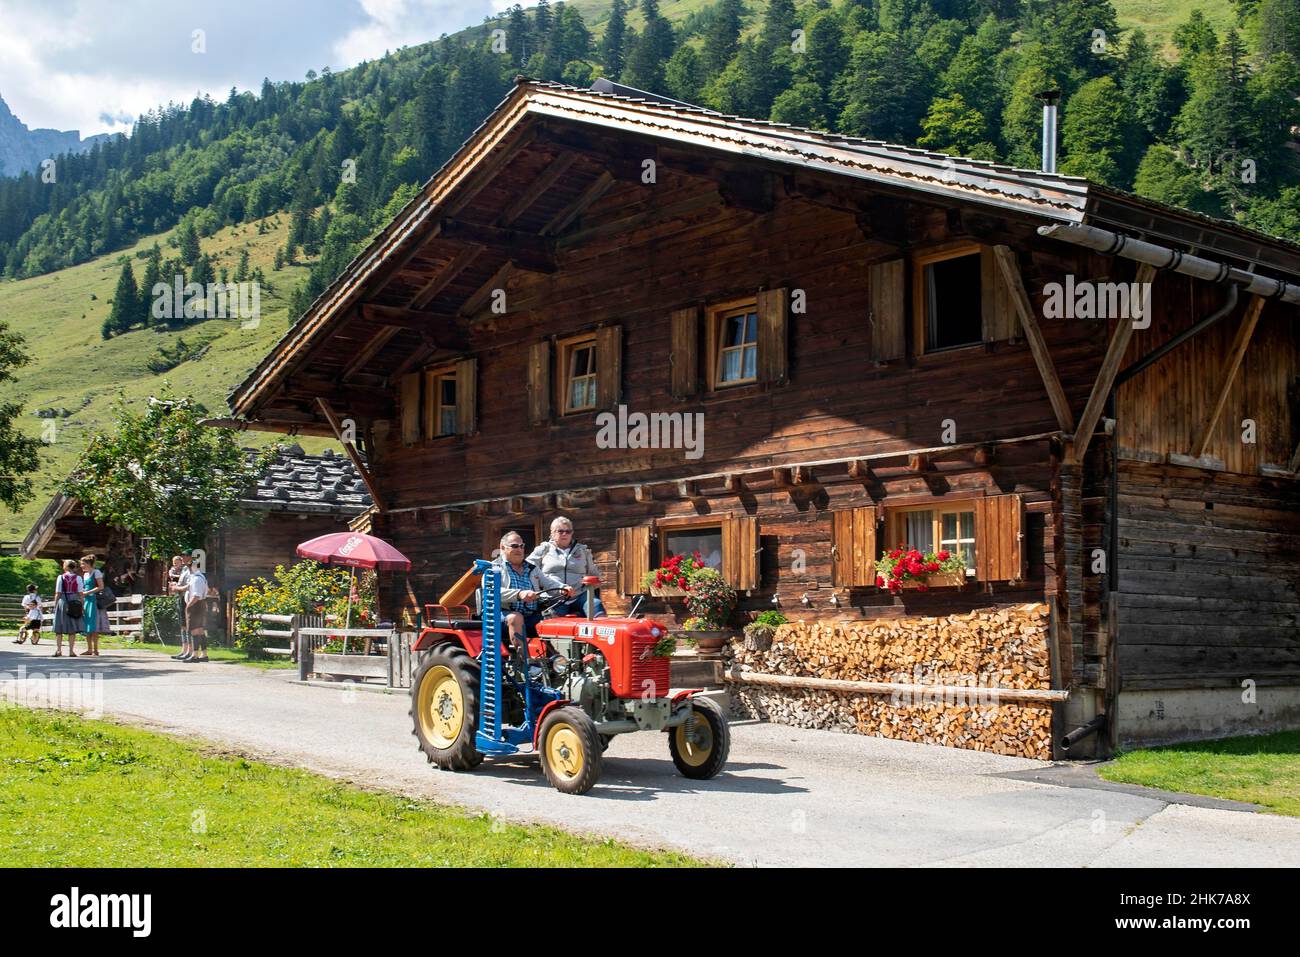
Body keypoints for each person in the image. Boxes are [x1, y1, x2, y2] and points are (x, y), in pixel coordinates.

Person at [494, 531, 565, 662]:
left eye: (522, 546)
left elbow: (548, 582)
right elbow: (493, 591)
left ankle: (559, 662)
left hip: (530, 614)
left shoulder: (532, 568)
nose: (519, 549)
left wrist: (563, 588)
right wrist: (519, 594)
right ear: (503, 547)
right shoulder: (494, 568)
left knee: (551, 618)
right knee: (516, 617)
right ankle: (526, 664)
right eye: (515, 546)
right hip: (500, 616)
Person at [526, 516, 606, 618]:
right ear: (552, 533)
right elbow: (528, 569)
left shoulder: (583, 551)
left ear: (572, 533)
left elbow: (594, 574)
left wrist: (590, 585)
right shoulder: (543, 549)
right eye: (560, 531)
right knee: (554, 620)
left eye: (568, 531)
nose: (564, 534)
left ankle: (602, 634)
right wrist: (538, 587)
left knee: (596, 605)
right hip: (555, 597)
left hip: (580, 595)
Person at [80, 554, 111, 657]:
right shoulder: (85, 575)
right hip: (87, 601)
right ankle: (89, 649)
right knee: (87, 626)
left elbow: (100, 586)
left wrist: (87, 593)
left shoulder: (96, 572)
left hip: (94, 600)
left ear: (89, 564)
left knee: (94, 626)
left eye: (83, 564)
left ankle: (96, 650)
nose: (81, 566)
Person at [51, 559, 83, 657]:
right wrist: (82, 604)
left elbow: (58, 592)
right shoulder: (78, 578)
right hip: (74, 601)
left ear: (66, 567)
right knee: (72, 628)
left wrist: (55, 604)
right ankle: (71, 651)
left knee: (59, 627)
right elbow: (80, 593)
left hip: (63, 601)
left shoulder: (61, 577)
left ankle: (59, 650)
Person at [183, 559, 210, 663]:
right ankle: (204, 654)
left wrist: (188, 606)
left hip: (195, 605)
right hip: (200, 604)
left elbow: (196, 596)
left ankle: (194, 655)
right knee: (200, 630)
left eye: (190, 566)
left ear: (194, 567)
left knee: (194, 630)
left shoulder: (197, 579)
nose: (189, 568)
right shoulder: (200, 577)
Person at [170, 555, 193, 660]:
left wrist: (177, 588)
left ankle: (190, 651)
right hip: (181, 597)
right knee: (182, 625)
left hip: (186, 598)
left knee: (187, 625)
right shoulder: (183, 569)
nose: (183, 558)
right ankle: (184, 650)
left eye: (185, 556)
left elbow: (189, 585)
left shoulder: (190, 570)